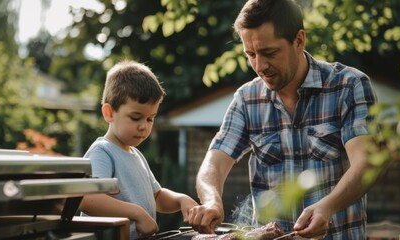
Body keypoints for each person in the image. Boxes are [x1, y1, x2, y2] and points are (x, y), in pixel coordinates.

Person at [187, 0, 377, 239]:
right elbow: (212, 164)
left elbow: (367, 163)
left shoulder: (349, 86)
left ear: (299, 40)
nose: (260, 65)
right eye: (251, 54)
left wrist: (328, 206)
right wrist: (212, 201)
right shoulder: (247, 100)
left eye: (269, 52)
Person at [79, 60, 199, 239]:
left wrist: (180, 199)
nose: (144, 126)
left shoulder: (136, 155)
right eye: (136, 118)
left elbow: (157, 197)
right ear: (109, 113)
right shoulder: (103, 152)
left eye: (150, 119)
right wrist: (136, 213)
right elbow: (87, 199)